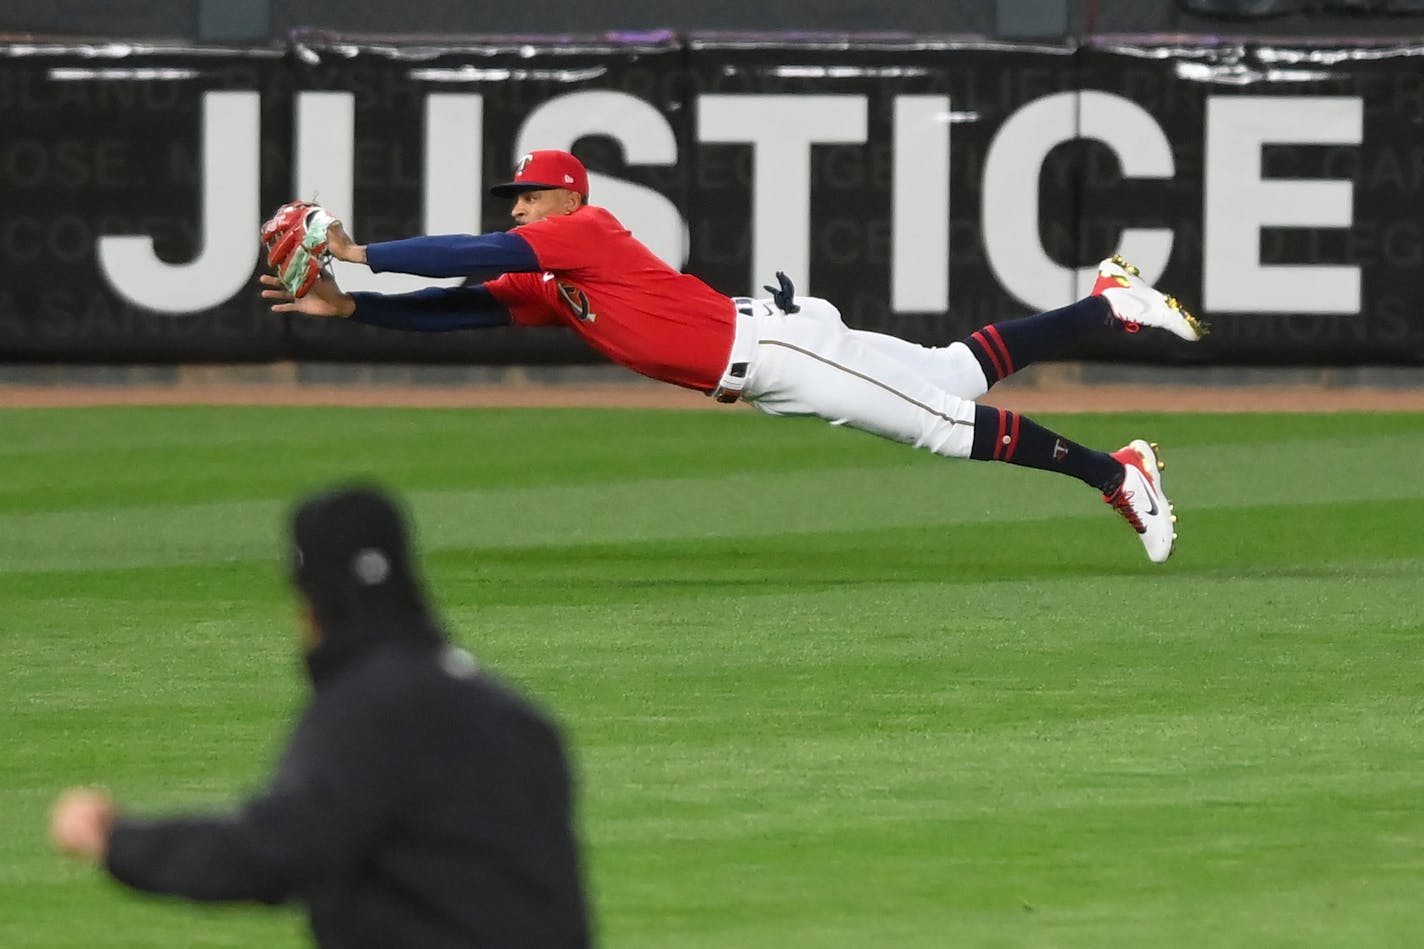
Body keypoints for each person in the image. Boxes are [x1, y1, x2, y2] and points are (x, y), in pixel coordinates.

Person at [260, 150, 1209, 563]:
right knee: (950, 370)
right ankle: (1103, 304)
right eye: (514, 196)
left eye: (527, 195)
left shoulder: (583, 230)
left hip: (778, 349)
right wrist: (352, 309)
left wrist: (360, 251)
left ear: (565, 199)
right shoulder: (556, 281)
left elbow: (474, 254)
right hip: (769, 358)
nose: (515, 207)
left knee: (942, 420)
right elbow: (461, 312)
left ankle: (1115, 474)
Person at [50, 485, 592, 948]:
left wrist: (120, 841)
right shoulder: (516, 717)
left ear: (310, 602)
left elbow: (277, 851)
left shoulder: (368, 707)